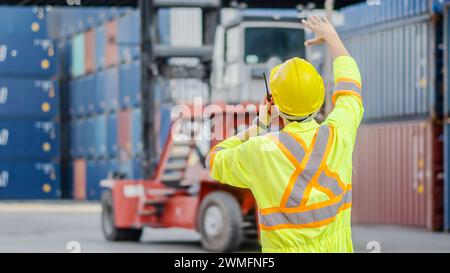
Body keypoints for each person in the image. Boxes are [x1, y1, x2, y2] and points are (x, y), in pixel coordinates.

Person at [205, 15, 363, 253]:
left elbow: (215, 159)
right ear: (320, 98)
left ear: (275, 105)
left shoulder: (260, 151)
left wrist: (259, 124)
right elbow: (350, 90)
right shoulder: (339, 134)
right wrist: (332, 38)